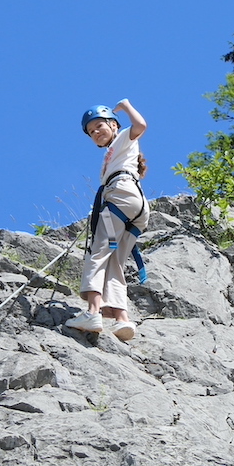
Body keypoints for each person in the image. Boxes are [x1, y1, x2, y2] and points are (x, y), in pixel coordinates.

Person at [67, 98, 149, 341]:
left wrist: (126, 106)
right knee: (115, 262)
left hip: (122, 195)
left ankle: (93, 312)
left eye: (99, 126)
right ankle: (122, 320)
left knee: (98, 252)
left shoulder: (123, 137)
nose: (95, 133)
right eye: (91, 132)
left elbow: (141, 125)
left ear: (113, 125)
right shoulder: (114, 155)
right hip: (136, 206)